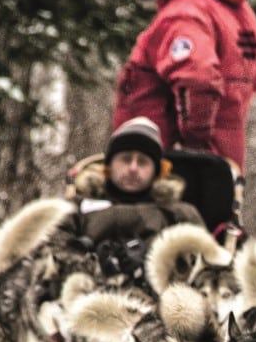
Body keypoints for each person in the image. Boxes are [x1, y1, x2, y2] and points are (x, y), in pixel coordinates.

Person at [112, 0, 256, 238]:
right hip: (223, 167)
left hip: (172, 174)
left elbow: (197, 77)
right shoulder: (237, 12)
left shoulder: (184, 12)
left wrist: (192, 147)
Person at [64, 117, 206, 289]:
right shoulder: (78, 207)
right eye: (125, 159)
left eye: (142, 162)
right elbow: (51, 248)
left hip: (161, 301)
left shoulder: (180, 213)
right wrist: (87, 263)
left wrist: (152, 262)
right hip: (83, 294)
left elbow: (202, 264)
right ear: (108, 165)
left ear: (156, 171)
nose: (133, 168)